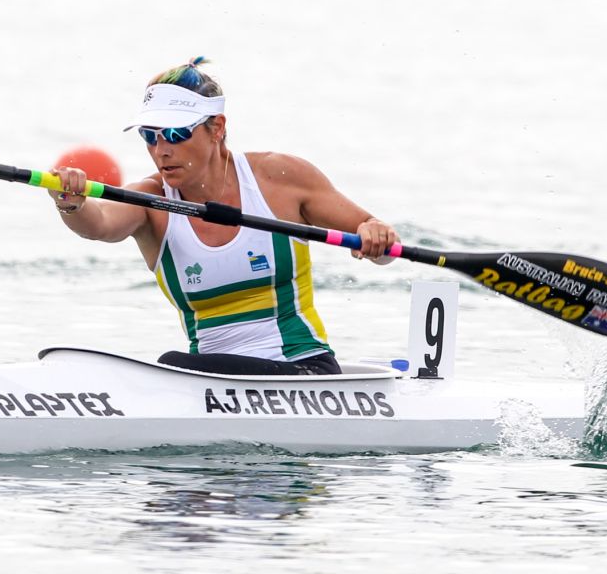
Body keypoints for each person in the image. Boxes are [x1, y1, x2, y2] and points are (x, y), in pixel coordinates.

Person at [49, 57, 399, 375]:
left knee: (171, 365)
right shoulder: (150, 200)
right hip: (207, 381)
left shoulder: (279, 178)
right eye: (149, 136)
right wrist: (71, 203)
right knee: (177, 366)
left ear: (216, 128)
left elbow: (378, 242)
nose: (162, 149)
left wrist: (376, 235)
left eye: (175, 133)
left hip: (304, 373)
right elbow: (99, 225)